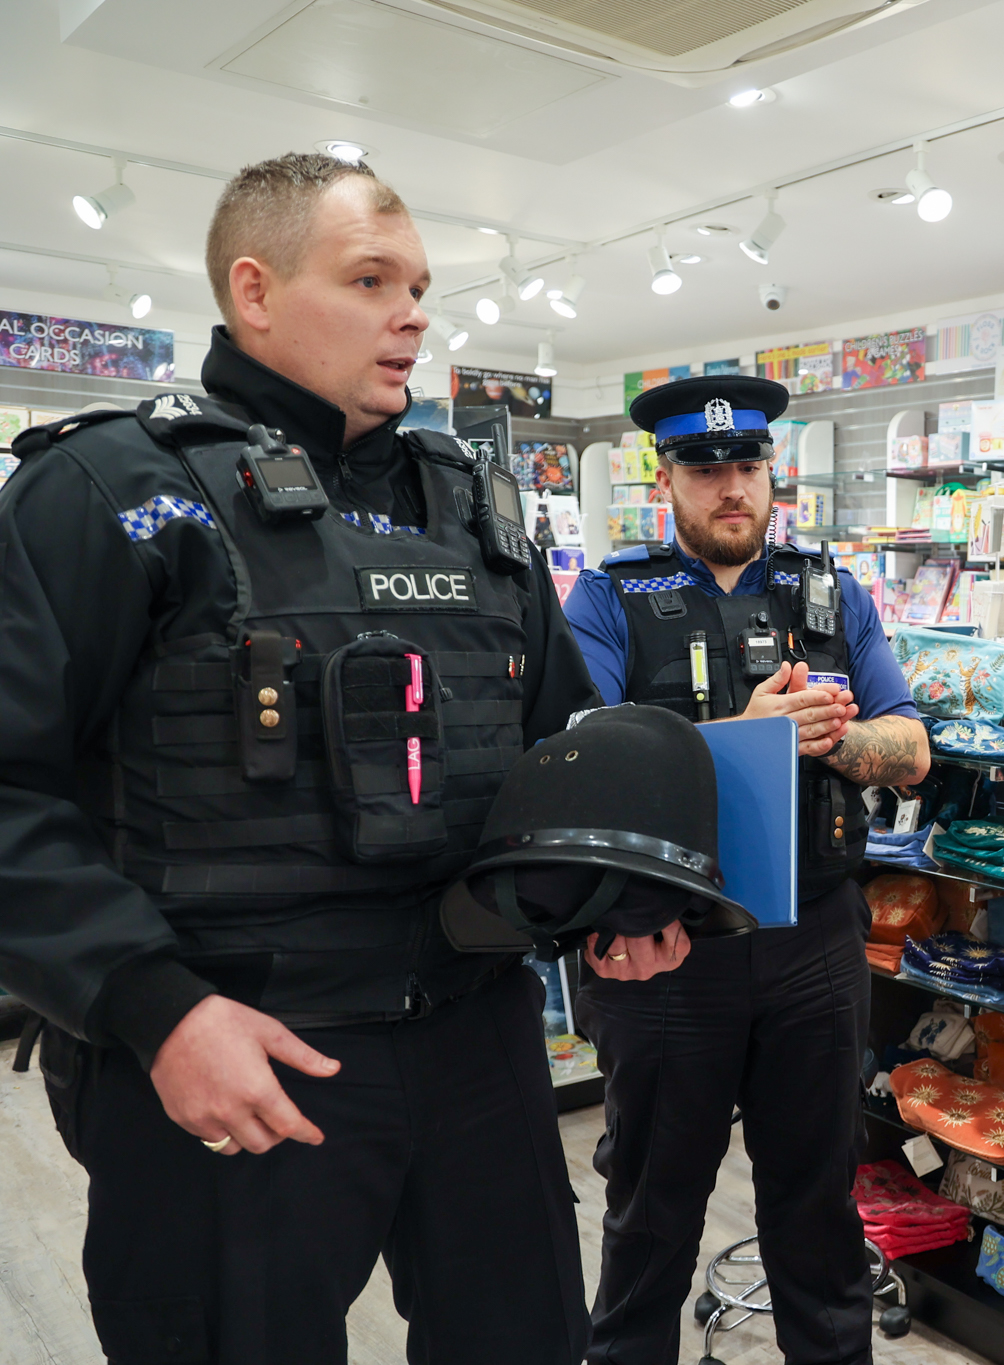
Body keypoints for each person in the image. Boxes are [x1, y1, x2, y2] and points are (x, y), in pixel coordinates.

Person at [0, 152, 602, 1362]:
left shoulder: (475, 507)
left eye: (420, 285)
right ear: (255, 292)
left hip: (479, 1034)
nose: (413, 313)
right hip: (237, 1050)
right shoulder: (114, 491)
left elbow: (557, 746)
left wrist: (610, 892)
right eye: (370, 277)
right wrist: (156, 1013)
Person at [561, 374, 930, 1365]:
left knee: (815, 1213)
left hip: (813, 941)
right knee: (650, 1214)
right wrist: (741, 734)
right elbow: (580, 760)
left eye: (748, 464)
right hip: (665, 945)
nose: (730, 485)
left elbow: (910, 747)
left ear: (775, 474)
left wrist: (835, 745)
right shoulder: (610, 597)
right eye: (704, 466)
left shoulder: (828, 591)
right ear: (665, 478)